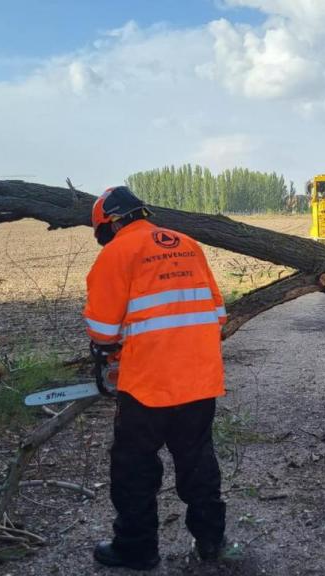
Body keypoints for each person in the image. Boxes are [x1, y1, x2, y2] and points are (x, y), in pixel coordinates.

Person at [84, 186, 228, 570]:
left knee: (134, 467)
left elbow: (101, 330)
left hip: (147, 384)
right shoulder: (188, 244)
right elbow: (218, 315)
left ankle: (136, 548)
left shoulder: (117, 253)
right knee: (198, 461)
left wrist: (111, 353)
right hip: (198, 378)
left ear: (110, 223)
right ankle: (212, 541)